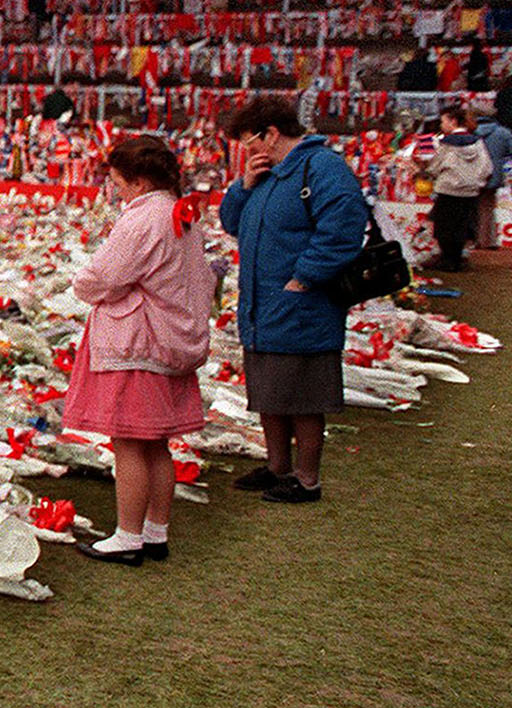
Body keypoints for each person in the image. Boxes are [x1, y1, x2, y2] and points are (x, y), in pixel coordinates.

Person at [65, 137, 216, 565]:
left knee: (129, 442)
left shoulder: (142, 219)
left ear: (138, 180)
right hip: (171, 340)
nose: (118, 192)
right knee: (157, 444)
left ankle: (127, 536)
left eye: (119, 182)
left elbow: (105, 276)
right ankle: (155, 531)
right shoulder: (180, 214)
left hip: (138, 342)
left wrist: (82, 286)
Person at [219, 96, 370, 503]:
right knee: (270, 391)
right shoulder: (267, 174)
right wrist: (242, 186)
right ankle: (277, 467)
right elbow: (231, 223)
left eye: (249, 142)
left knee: (303, 396)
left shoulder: (322, 167)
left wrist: (304, 278)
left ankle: (306, 479)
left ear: (271, 134)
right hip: (263, 302)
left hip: (302, 303)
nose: (246, 151)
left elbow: (342, 229)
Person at [422, 106, 493, 271]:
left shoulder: (445, 144)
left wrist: (429, 170)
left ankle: (447, 259)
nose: (442, 125)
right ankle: (457, 258)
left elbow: (434, 166)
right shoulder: (477, 142)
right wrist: (477, 182)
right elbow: (487, 167)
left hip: (448, 189)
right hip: (470, 191)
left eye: (443, 121)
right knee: (463, 226)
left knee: (445, 227)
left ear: (453, 121)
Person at [476, 112, 511, 250]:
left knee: (474, 208)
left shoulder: (471, 132)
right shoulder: (503, 132)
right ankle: (489, 240)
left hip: (473, 174)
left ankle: (475, 239)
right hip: (495, 174)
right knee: (488, 208)